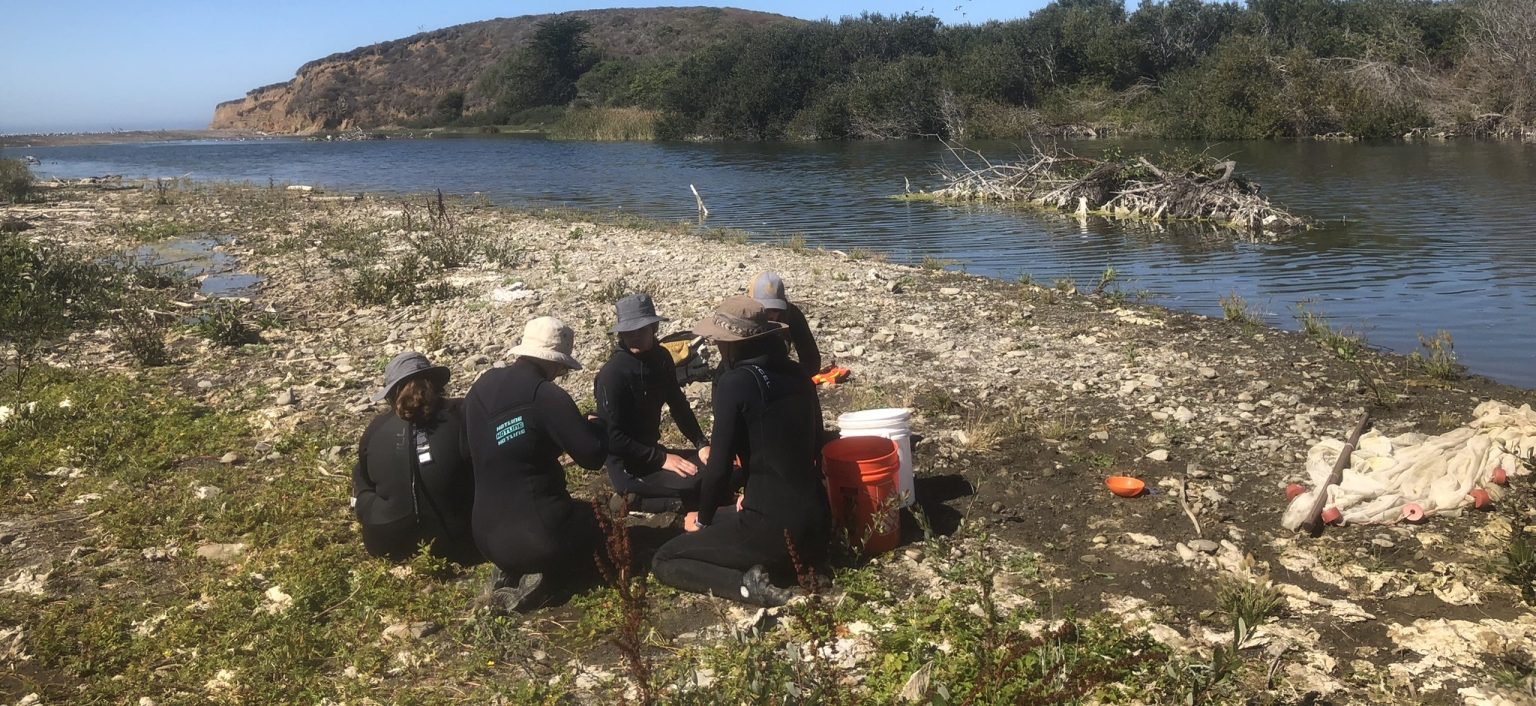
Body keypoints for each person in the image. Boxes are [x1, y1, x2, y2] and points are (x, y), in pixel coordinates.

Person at [651, 296, 832, 606]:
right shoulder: (798, 374)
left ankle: (746, 586)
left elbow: (719, 468)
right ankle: (798, 562)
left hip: (773, 528)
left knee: (666, 558)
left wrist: (704, 520)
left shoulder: (736, 382)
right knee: (725, 517)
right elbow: (817, 444)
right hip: (818, 522)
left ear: (732, 344)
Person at [464, 317, 608, 612]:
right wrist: (596, 428)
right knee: (598, 521)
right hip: (541, 536)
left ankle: (509, 567)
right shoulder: (546, 395)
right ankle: (546, 577)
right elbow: (592, 457)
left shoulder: (482, 385)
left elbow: (468, 449)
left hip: (484, 536)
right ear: (556, 362)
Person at [351, 351, 480, 565]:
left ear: (391, 394)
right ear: (436, 384)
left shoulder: (375, 428)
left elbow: (366, 475)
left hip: (386, 542)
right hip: (459, 542)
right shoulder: (461, 413)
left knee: (360, 471)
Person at [595, 293, 712, 515]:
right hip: (628, 465)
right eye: (628, 332)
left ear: (654, 327)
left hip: (652, 452)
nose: (634, 336)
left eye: (640, 329)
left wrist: (701, 443)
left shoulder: (661, 358)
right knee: (697, 490)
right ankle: (633, 500)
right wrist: (660, 458)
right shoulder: (613, 374)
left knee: (719, 471)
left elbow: (678, 404)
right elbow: (612, 438)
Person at [749, 271, 821, 377]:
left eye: (775, 309)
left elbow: (812, 361)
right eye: (764, 309)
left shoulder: (790, 314)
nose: (770, 315)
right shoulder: (741, 317)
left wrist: (791, 378)